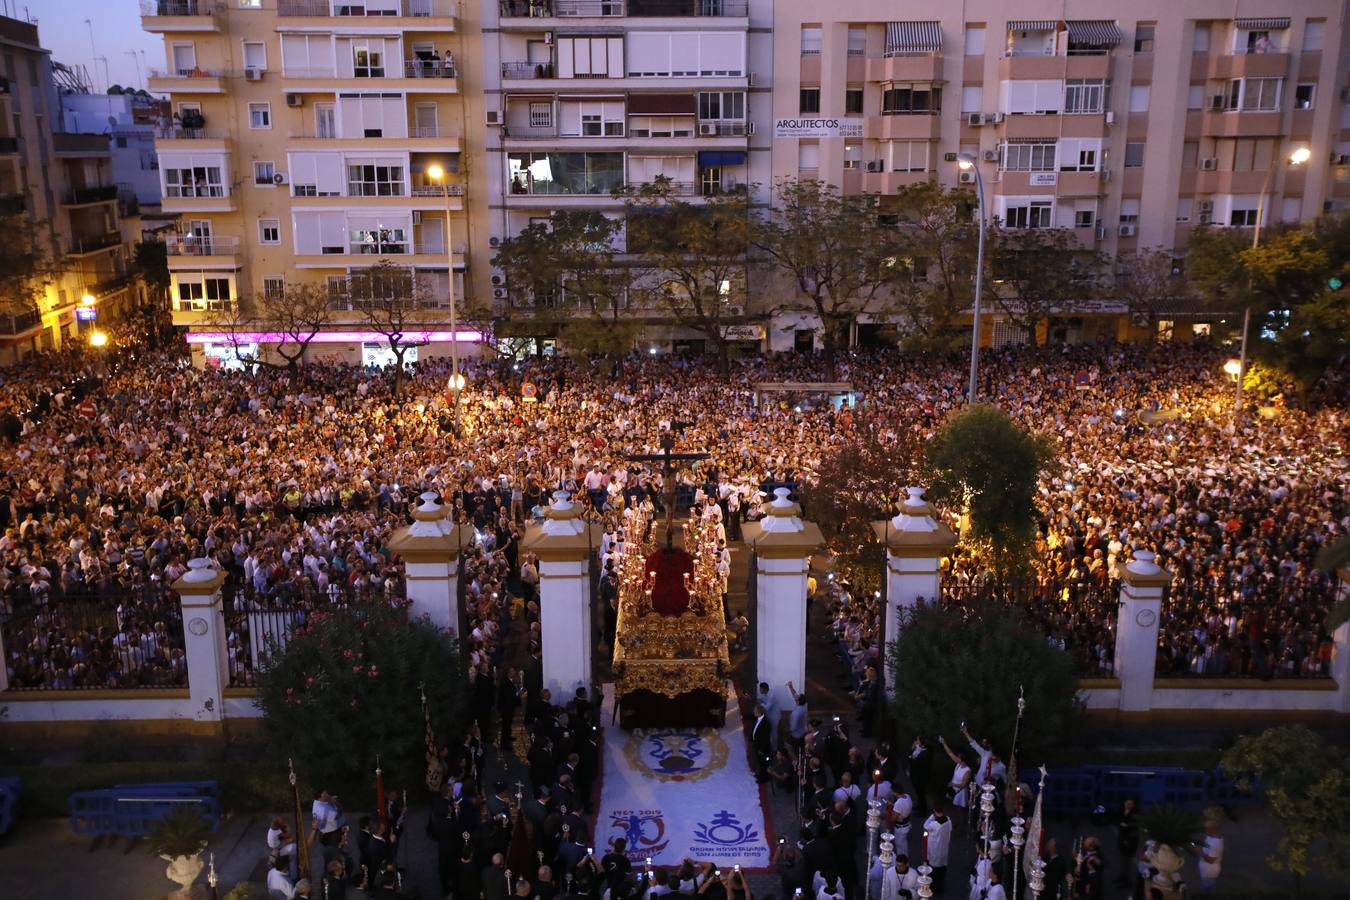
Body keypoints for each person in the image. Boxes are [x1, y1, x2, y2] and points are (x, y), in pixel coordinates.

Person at [923, 805, 953, 895]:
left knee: (934, 871)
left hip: (935, 850)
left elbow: (925, 825)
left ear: (934, 811)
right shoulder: (948, 820)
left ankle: (934, 888)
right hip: (944, 849)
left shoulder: (934, 824)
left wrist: (932, 816)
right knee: (942, 870)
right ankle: (940, 888)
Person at [1114, 798, 1139, 886]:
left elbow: (1134, 827)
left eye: (1130, 803)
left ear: (1133, 805)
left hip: (1130, 841)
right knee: (1122, 860)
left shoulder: (1135, 813)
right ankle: (1122, 876)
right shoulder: (1121, 811)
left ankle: (1128, 881)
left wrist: (1125, 825)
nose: (1128, 805)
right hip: (1122, 839)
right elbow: (1118, 822)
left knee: (1128, 861)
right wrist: (1123, 825)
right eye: (1127, 803)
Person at [1194, 818, 1224, 892]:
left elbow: (1211, 860)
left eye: (1207, 828)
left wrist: (1199, 851)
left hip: (1210, 873)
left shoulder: (1216, 843)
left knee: (1208, 893)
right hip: (1206, 871)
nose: (1204, 830)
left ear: (1213, 829)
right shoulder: (1210, 836)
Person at [751, 704, 773, 782]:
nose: (753, 712)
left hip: (762, 748)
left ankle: (763, 778)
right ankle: (761, 775)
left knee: (763, 763)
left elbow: (765, 739)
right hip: (757, 745)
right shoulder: (758, 719)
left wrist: (761, 749)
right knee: (759, 762)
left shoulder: (765, 723)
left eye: (754, 711)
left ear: (759, 712)